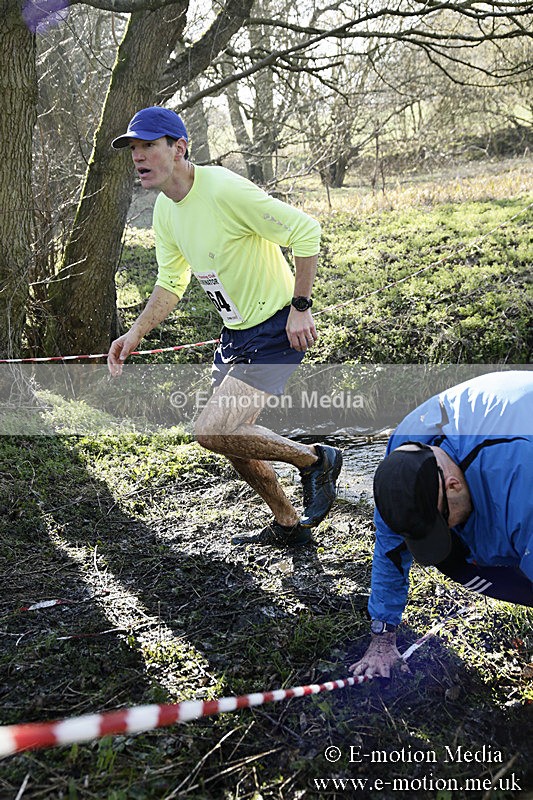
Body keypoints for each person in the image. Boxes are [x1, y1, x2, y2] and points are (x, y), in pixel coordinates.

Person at [108, 106, 342, 546]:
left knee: (212, 430)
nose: (138, 156)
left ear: (178, 148)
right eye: (133, 148)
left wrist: (301, 306)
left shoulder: (223, 189)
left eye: (148, 146)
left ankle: (315, 460)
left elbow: (306, 232)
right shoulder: (165, 209)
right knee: (233, 441)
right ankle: (289, 524)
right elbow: (170, 283)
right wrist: (135, 333)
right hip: (236, 334)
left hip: (276, 325)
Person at [350, 370, 533, 679]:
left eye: (442, 521)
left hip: (517, 461)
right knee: (453, 557)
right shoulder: (404, 465)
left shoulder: (521, 486)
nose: (443, 532)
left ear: (452, 485)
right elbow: (390, 550)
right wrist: (383, 637)